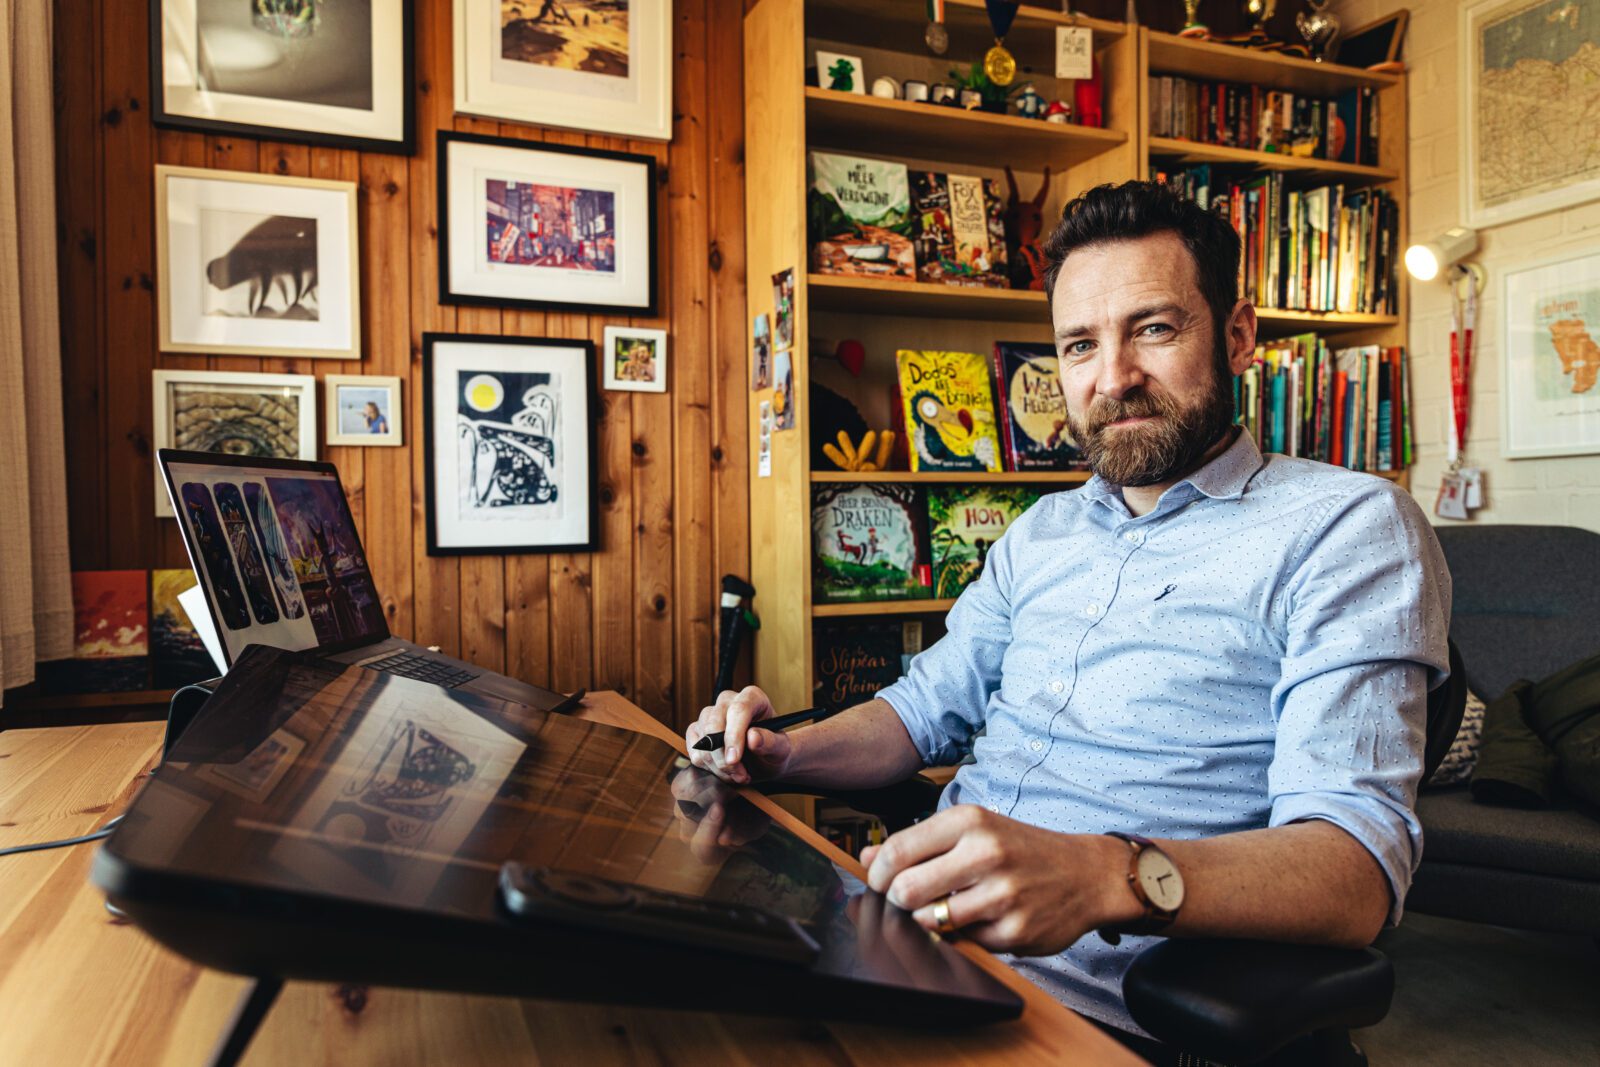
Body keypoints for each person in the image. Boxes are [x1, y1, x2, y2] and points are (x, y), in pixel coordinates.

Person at [685, 180, 1450, 1050]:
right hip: (912, 945)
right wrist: (782, 753)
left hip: (1096, 1017)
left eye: (1153, 329)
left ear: (1238, 336)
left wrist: (1102, 875)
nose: (1112, 378)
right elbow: (920, 710)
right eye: (1080, 344)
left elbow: (1355, 870)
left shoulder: (1346, 528)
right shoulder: (1040, 530)